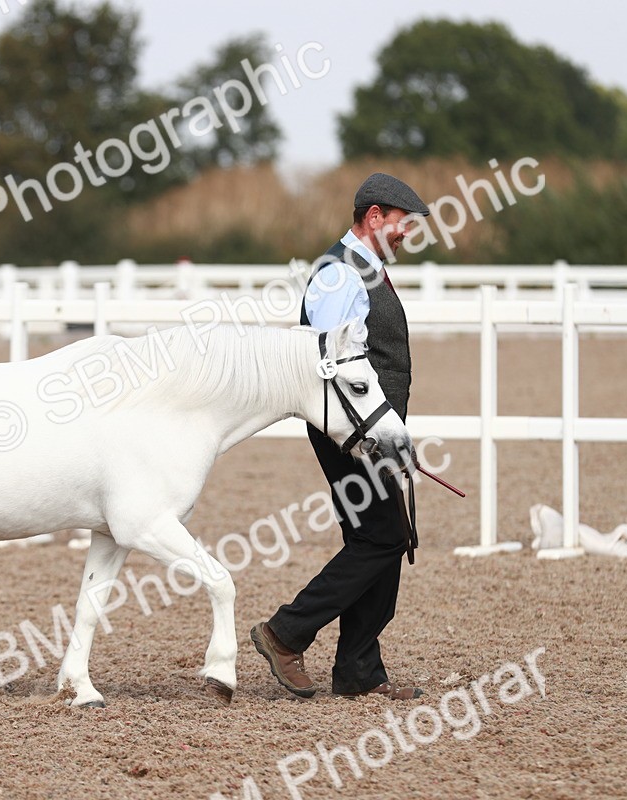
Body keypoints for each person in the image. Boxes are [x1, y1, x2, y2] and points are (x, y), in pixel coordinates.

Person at [251, 173, 429, 701]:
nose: (406, 233)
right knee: (383, 538)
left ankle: (358, 671)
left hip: (372, 428)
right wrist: (366, 435)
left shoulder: (362, 270)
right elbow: (327, 363)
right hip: (351, 430)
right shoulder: (339, 276)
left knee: (378, 540)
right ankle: (286, 633)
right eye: (401, 223)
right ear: (374, 216)